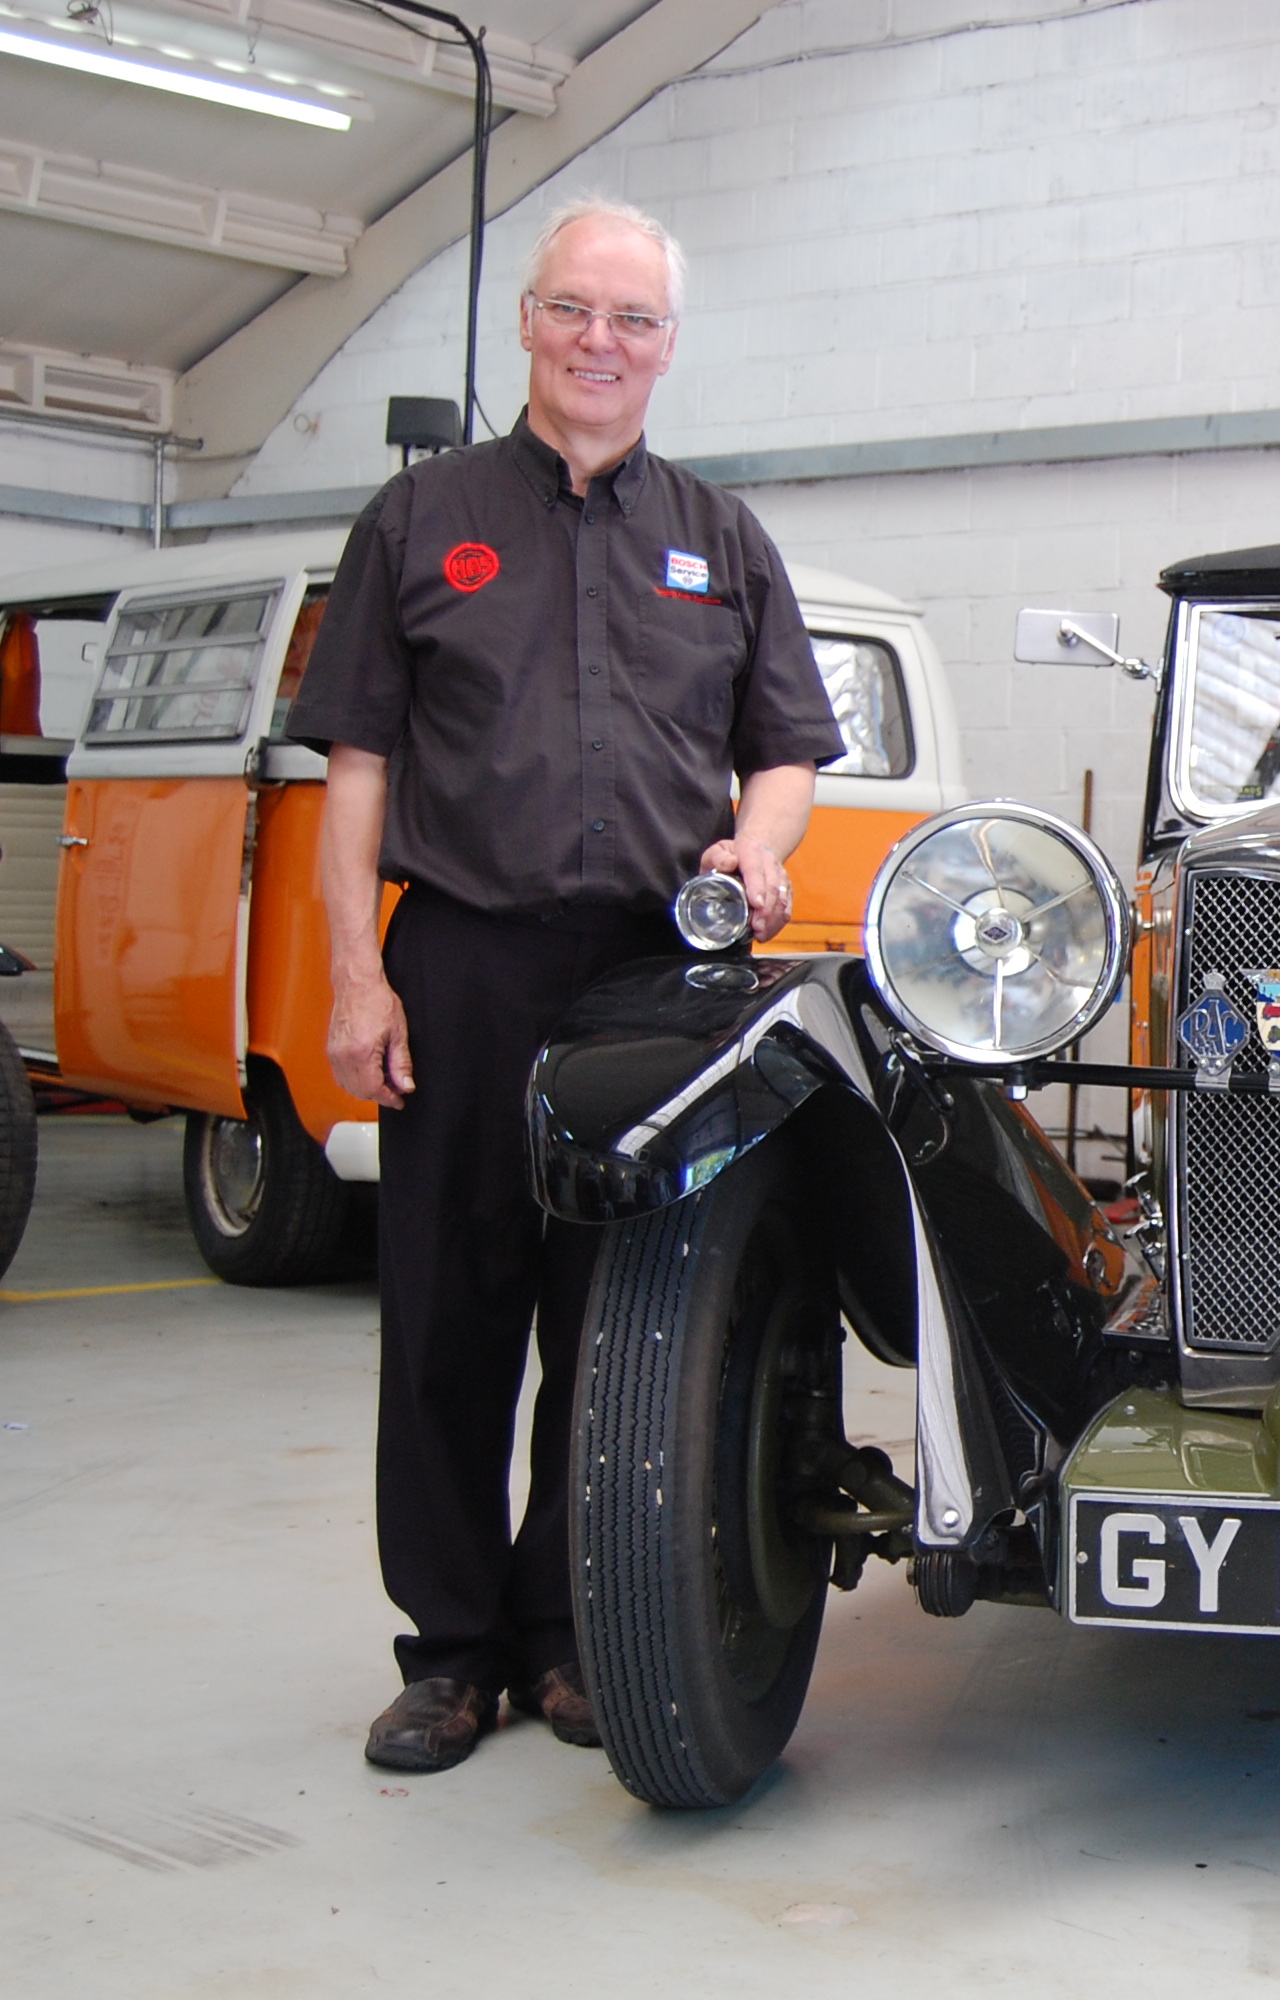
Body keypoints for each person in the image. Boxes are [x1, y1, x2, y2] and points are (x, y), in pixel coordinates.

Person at [291, 196, 845, 1773]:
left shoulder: (721, 537)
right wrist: (356, 978)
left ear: (668, 347)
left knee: (616, 1325)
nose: (602, 341)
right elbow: (355, 768)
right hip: (463, 960)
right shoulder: (420, 519)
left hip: (654, 980)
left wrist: (755, 846)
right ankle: (450, 1654)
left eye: (634, 319)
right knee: (447, 1315)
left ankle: (564, 1635)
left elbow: (787, 750)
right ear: (528, 323)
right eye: (574, 310)